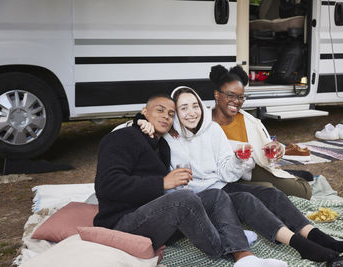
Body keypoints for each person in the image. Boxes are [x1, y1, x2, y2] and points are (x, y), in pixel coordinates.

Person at [160, 86, 343, 263]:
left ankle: (314, 234)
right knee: (246, 200)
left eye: (195, 106)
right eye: (183, 108)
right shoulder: (168, 140)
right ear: (174, 113)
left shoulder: (212, 130)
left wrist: (237, 160)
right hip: (199, 199)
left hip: (221, 186)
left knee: (271, 193)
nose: (191, 112)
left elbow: (226, 173)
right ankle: (301, 245)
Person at [93, 94, 286, 267]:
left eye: (170, 114)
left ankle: (244, 258)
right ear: (144, 112)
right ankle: (224, 243)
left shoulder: (161, 146)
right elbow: (107, 186)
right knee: (184, 199)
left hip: (154, 216)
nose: (166, 116)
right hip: (123, 222)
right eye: (159, 110)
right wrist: (163, 183)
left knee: (215, 195)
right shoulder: (122, 137)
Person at [209, 64, 313, 199]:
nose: (236, 101)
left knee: (304, 191)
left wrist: (277, 147)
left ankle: (286, 175)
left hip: (248, 171)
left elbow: (266, 151)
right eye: (231, 95)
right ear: (217, 95)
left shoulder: (249, 122)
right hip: (221, 179)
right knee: (268, 191)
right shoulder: (203, 122)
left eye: (241, 97)